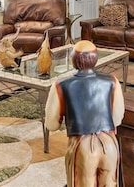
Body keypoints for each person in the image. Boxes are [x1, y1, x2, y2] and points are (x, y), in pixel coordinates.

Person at [45, 40, 125, 187]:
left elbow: (51, 124)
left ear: (73, 60)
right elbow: (117, 118)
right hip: (110, 144)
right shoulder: (112, 81)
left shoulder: (60, 85)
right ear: (95, 58)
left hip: (82, 146)